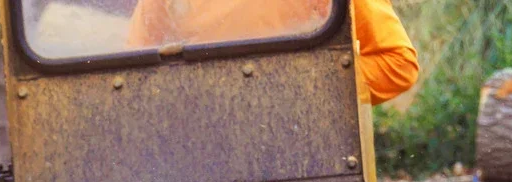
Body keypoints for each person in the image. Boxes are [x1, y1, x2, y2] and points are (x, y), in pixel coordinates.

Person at [125, 0, 420, 103]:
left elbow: (396, 64)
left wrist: (297, 88)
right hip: (198, 152)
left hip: (302, 156)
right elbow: (129, 79)